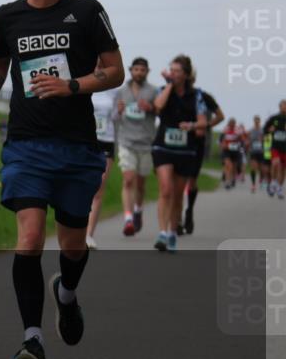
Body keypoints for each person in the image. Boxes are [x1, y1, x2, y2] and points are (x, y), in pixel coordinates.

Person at [0, 0, 123, 359]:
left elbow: (113, 71)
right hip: (26, 145)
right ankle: (32, 339)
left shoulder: (87, 11)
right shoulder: (8, 16)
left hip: (77, 147)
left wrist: (72, 86)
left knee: (73, 246)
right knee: (31, 238)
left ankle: (68, 294)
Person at [150, 55, 207, 251]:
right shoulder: (163, 90)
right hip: (163, 147)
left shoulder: (196, 95)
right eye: (171, 70)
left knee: (176, 194)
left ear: (186, 75)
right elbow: (157, 106)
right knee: (165, 189)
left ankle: (173, 231)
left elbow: (203, 122)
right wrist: (169, 85)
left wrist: (191, 125)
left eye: (177, 71)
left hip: (185, 150)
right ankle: (162, 233)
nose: (173, 73)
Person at [113, 57, 158, 236]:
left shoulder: (153, 91)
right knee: (128, 179)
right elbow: (114, 117)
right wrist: (119, 110)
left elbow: (160, 110)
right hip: (126, 141)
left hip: (146, 142)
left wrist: (151, 108)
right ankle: (128, 218)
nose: (139, 72)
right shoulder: (121, 91)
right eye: (136, 69)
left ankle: (138, 209)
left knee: (140, 183)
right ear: (131, 70)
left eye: (142, 70)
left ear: (147, 72)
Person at [181, 82, 222, 235]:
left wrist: (206, 125)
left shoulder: (204, 97)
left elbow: (220, 116)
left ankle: (189, 211)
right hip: (179, 141)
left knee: (191, 181)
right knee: (177, 181)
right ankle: (177, 218)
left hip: (197, 141)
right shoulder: (174, 95)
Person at [86, 81, 118, 249]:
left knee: (99, 187)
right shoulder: (84, 82)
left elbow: (117, 117)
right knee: (80, 185)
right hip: (84, 138)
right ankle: (78, 228)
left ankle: (89, 234)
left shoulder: (114, 90)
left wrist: (120, 111)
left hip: (106, 140)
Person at [264, 100, 286, 199]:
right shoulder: (274, 118)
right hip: (275, 146)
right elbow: (265, 129)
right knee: (275, 163)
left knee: (283, 169)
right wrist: (269, 130)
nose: (284, 107)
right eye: (283, 105)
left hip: (285, 148)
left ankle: (280, 188)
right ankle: (273, 182)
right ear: (279, 107)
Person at [219, 118, 243, 190]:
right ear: (229, 124)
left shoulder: (237, 130)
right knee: (228, 165)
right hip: (227, 151)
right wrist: (223, 145)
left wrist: (238, 143)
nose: (232, 125)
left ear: (235, 124)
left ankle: (233, 179)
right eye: (230, 124)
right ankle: (227, 182)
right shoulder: (225, 130)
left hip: (235, 151)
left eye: (233, 124)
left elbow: (241, 141)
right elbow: (221, 140)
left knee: (234, 167)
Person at [248, 115, 269, 193]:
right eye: (255, 120)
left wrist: (263, 139)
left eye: (258, 120)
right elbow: (248, 140)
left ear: (260, 121)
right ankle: (253, 185)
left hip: (261, 152)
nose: (256, 122)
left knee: (262, 169)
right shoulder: (251, 130)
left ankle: (261, 179)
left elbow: (267, 140)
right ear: (254, 121)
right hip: (253, 152)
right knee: (253, 168)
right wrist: (248, 143)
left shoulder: (263, 130)